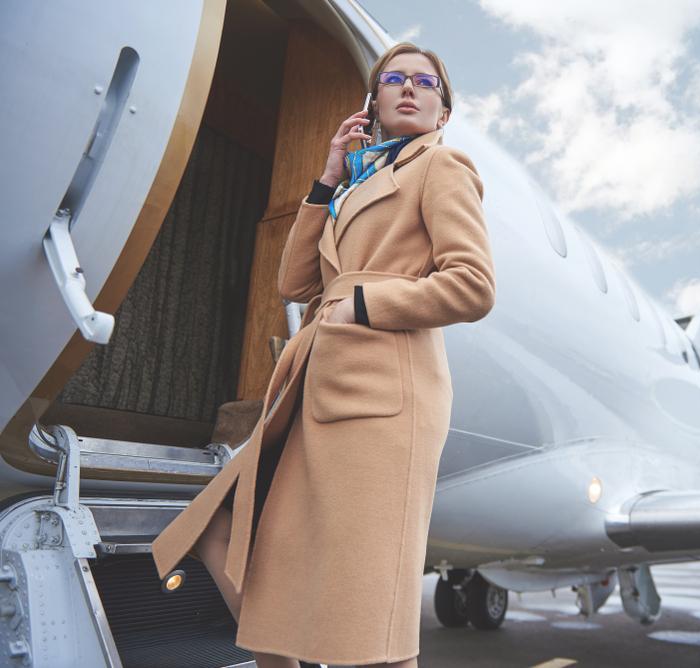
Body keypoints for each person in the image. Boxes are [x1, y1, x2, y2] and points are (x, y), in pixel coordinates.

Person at [150, 41, 496, 668]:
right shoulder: (355, 182)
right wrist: (328, 176)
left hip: (385, 396)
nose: (411, 88)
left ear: (443, 113)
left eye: (427, 82)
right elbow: (293, 283)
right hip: (318, 383)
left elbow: (473, 286)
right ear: (374, 102)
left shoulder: (441, 168)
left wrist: (362, 307)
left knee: (370, 607)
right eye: (395, 79)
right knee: (221, 530)